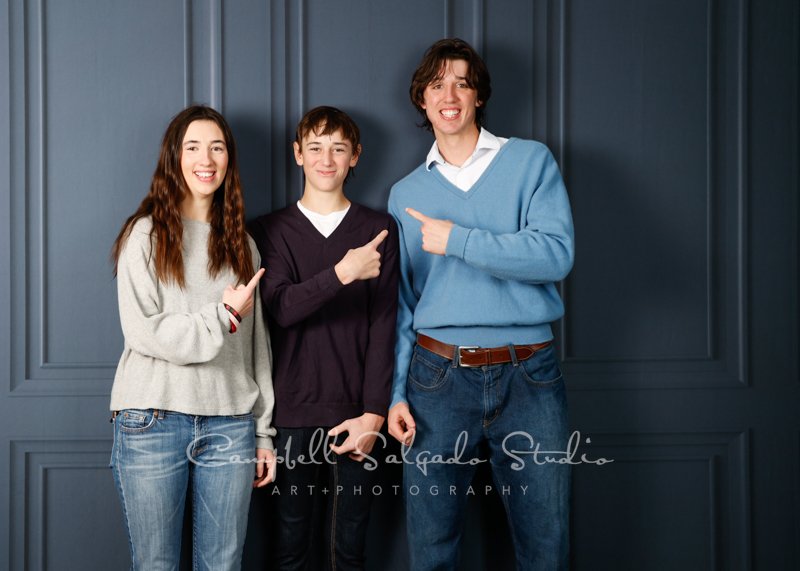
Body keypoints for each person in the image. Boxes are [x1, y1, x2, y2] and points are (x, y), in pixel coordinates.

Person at [386, 39, 575, 570]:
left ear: (478, 97)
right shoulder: (405, 195)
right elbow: (402, 304)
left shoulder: (530, 161)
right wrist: (397, 392)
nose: (449, 95)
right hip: (436, 380)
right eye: (436, 85)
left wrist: (460, 240)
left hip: (529, 376)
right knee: (432, 549)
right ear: (421, 100)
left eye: (462, 83)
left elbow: (556, 255)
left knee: (546, 547)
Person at [109, 105, 276, 570]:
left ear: (229, 160)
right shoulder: (144, 235)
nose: (207, 159)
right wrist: (219, 315)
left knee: (223, 565)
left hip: (229, 424)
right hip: (151, 418)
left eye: (218, 148)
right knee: (156, 564)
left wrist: (263, 432)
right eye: (194, 147)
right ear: (174, 158)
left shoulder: (242, 243)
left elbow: (255, 346)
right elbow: (145, 332)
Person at [250, 106, 399, 570]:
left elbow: (384, 326)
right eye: (315, 147)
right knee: (290, 549)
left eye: (338, 148)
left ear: (355, 156)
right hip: (291, 413)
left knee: (348, 550)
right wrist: (343, 272)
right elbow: (283, 308)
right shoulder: (270, 230)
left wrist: (374, 416)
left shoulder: (379, 230)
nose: (326, 159)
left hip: (358, 416)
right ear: (298, 154)